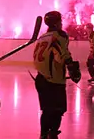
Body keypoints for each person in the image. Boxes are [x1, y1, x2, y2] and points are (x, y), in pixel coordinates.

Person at [33, 11, 81, 139]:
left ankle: (43, 134)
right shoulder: (59, 35)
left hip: (40, 78)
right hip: (54, 80)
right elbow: (62, 55)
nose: (62, 23)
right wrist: (72, 67)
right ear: (56, 23)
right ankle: (52, 133)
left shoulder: (42, 37)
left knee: (47, 110)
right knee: (57, 110)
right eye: (60, 20)